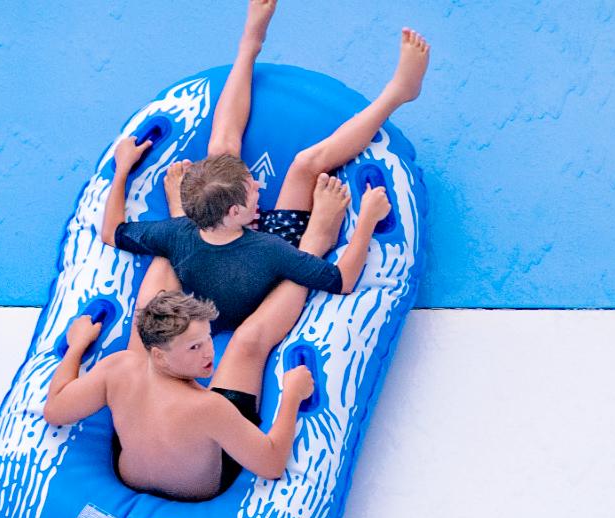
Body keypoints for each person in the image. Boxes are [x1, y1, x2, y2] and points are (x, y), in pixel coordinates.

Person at [45, 178, 392, 501]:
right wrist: (292, 396)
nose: (210, 353)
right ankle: (314, 243)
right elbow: (271, 464)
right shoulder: (210, 408)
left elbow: (55, 409)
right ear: (160, 355)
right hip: (202, 487)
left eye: (206, 339)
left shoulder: (116, 368)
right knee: (248, 341)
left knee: (155, 294)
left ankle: (181, 226)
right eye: (195, 347)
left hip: (131, 472)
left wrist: (76, 348)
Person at [100, 0, 430, 334]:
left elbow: (111, 232)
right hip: (257, 289)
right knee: (305, 165)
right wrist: (367, 221)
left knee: (222, 148)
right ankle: (397, 94)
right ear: (234, 211)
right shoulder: (269, 250)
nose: (259, 185)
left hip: (219, 248)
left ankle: (249, 45)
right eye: (252, 189)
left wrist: (123, 168)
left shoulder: (175, 232)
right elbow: (342, 280)